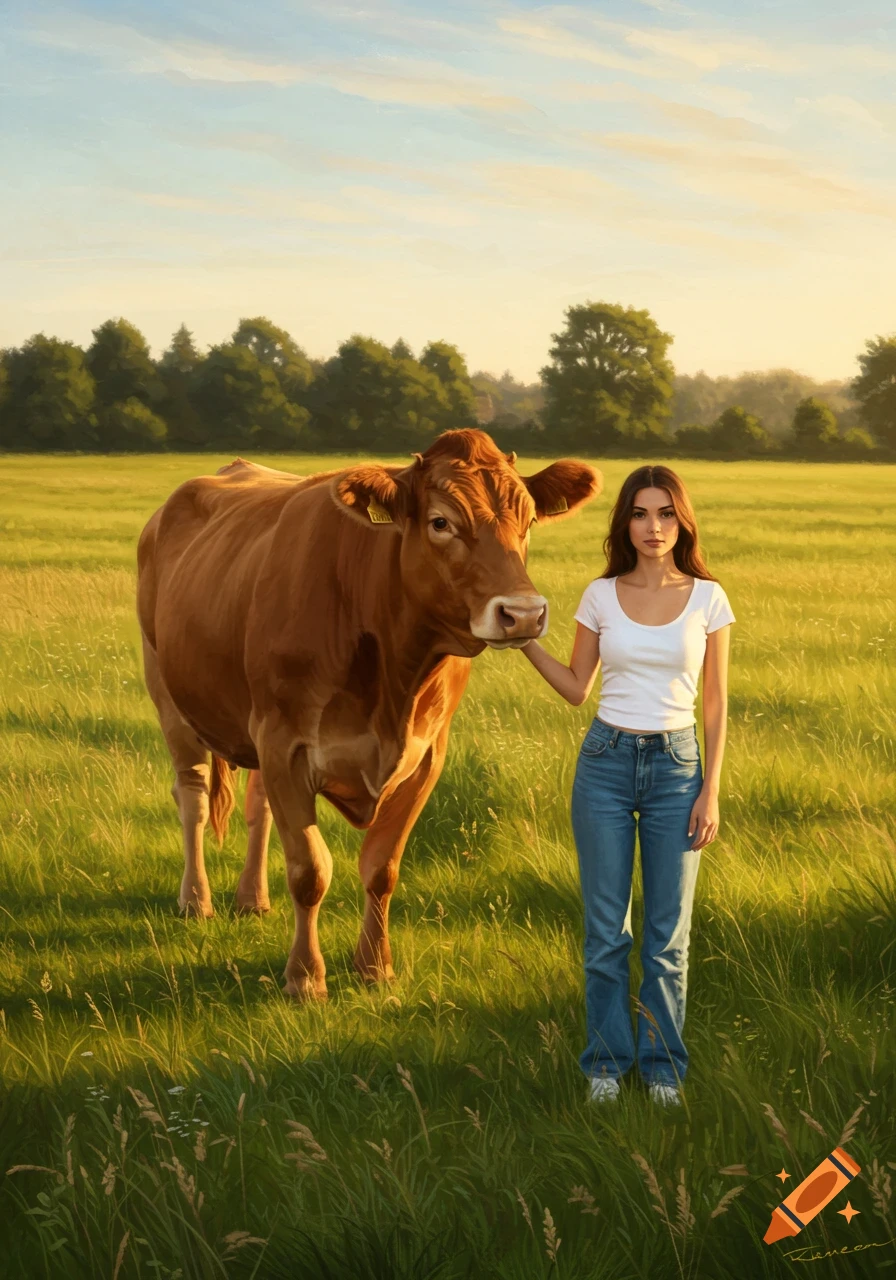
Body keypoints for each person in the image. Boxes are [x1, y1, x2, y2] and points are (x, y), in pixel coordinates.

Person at [521, 465, 735, 1107]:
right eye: (641, 514)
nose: (653, 527)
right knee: (605, 931)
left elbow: (717, 705)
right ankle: (606, 1067)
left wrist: (711, 790)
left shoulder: (708, 598)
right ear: (626, 523)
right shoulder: (599, 594)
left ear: (682, 521)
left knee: (667, 936)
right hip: (605, 766)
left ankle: (664, 1069)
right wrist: (526, 643)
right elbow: (577, 689)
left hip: (678, 771)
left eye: (665, 513)